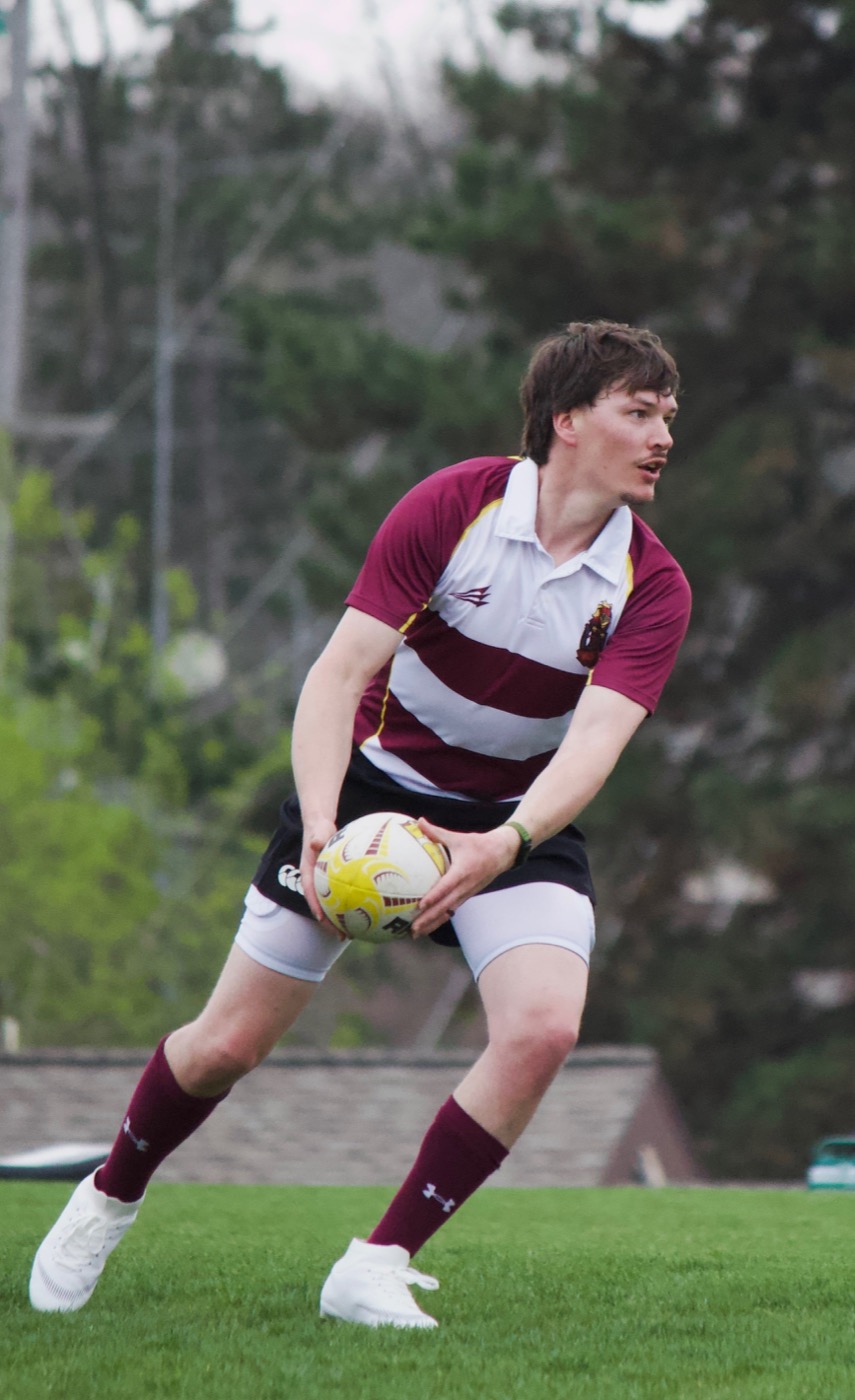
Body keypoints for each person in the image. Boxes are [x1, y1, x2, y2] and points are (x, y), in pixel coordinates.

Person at [29, 319, 690, 1329]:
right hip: (374, 790)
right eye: (639, 412)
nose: (662, 436)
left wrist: (504, 842)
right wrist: (324, 825)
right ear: (566, 420)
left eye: (668, 417)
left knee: (545, 1026)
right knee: (226, 1045)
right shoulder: (452, 506)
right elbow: (336, 674)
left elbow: (592, 748)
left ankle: (376, 1261)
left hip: (519, 820)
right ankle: (110, 1192)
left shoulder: (655, 586)